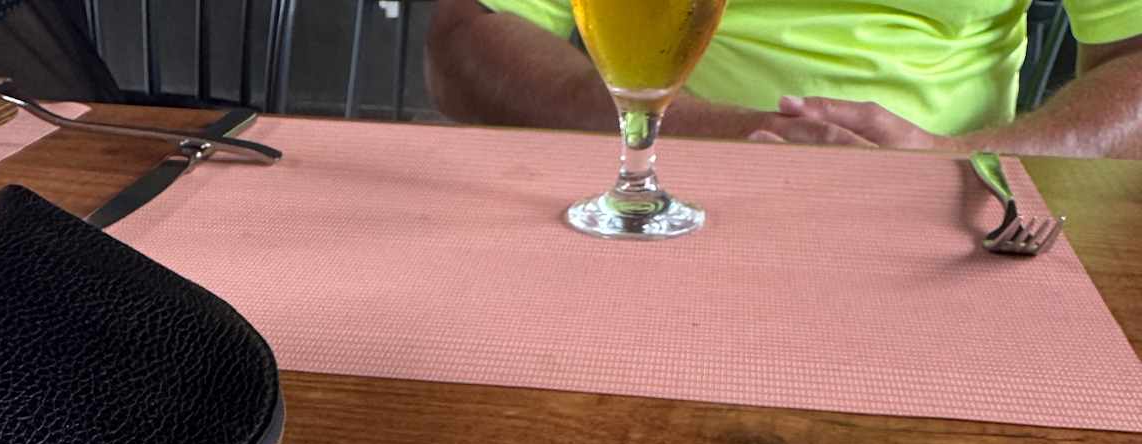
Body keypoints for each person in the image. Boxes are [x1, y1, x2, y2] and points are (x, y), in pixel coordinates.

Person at [426, 0, 1142, 155]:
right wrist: (708, 134)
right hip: (639, 184)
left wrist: (960, 159)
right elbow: (467, 38)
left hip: (946, 211)